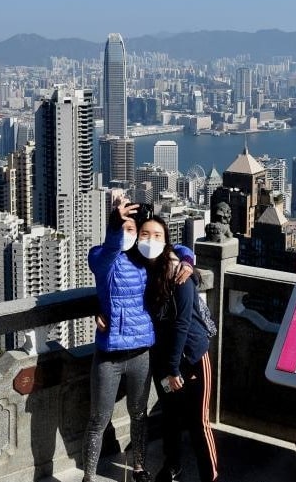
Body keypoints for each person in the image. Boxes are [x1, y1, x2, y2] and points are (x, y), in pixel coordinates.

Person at [83, 199, 194, 482]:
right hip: (110, 352)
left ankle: (140, 469)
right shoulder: (101, 255)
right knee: (99, 419)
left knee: (139, 414)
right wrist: (114, 224)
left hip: (143, 350)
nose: (128, 234)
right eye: (124, 228)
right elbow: (107, 255)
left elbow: (172, 248)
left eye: (133, 229)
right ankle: (88, 476)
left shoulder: (143, 262)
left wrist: (188, 259)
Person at [137, 216, 218, 482]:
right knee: (170, 418)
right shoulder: (142, 268)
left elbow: (183, 323)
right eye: (144, 234)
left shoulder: (179, 273)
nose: (150, 240)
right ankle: (173, 466)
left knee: (198, 422)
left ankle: (211, 475)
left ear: (166, 240)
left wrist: (173, 368)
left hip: (191, 356)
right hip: (163, 359)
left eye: (157, 235)